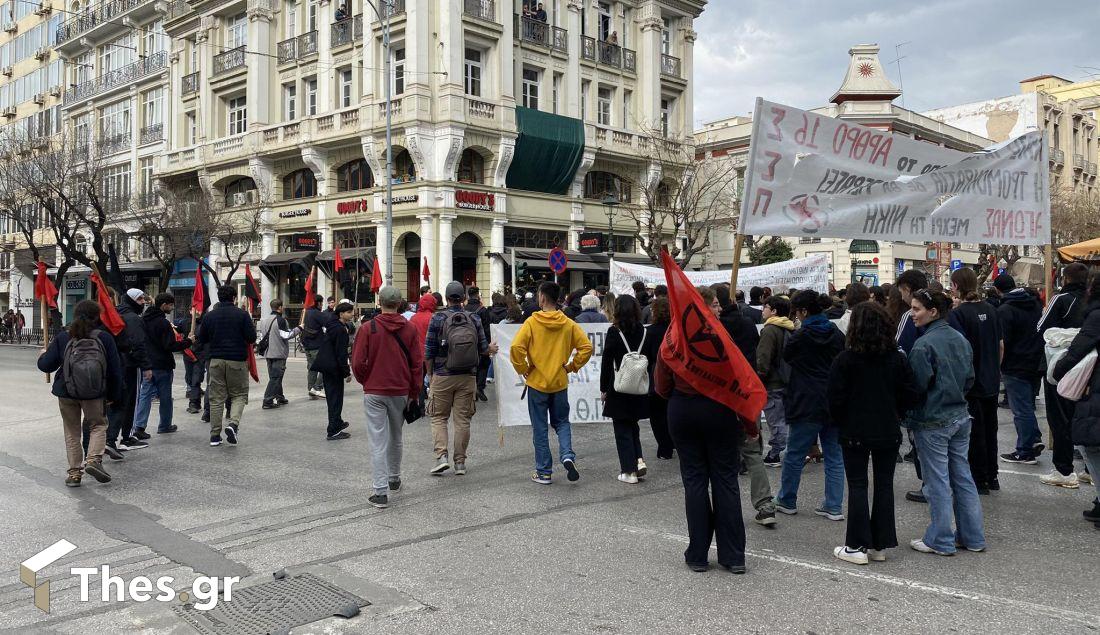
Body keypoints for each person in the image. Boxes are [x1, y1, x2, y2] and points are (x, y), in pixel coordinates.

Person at [654, 286, 747, 574]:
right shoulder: (724, 339)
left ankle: (697, 554)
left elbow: (661, 385)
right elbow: (740, 378)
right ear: (704, 307)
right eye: (716, 305)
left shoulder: (674, 338)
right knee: (725, 481)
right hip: (718, 412)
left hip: (683, 411)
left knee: (694, 481)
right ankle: (732, 556)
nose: (721, 309)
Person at [828, 303, 921, 564]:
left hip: (854, 429)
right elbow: (911, 394)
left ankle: (856, 544)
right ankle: (879, 544)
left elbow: (834, 398)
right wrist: (896, 412)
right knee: (883, 484)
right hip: (887, 428)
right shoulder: (897, 358)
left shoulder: (845, 360)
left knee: (858, 484)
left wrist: (841, 419)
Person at [906, 289, 985, 555]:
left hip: (933, 419)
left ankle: (940, 538)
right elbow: (970, 378)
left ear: (933, 312)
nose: (912, 314)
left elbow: (916, 386)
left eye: (916, 309)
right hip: (960, 415)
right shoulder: (960, 339)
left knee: (937, 481)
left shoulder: (923, 345)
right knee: (962, 477)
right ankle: (972, 537)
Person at [510, 281, 593, 484]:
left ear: (542, 298)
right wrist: (571, 367)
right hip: (559, 382)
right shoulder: (568, 324)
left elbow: (516, 348)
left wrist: (525, 369)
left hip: (537, 383)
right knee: (562, 422)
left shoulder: (532, 322)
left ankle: (544, 471)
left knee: (540, 428)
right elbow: (587, 348)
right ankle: (567, 455)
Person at [775, 290, 846, 521]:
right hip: (833, 399)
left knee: (795, 453)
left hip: (806, 399)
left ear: (804, 311)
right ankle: (833, 505)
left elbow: (788, 356)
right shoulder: (835, 333)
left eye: (797, 312)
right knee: (834, 455)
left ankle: (787, 499)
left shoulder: (801, 335)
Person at [351, 287, 424, 509]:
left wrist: (367, 381)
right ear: (400, 303)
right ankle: (394, 477)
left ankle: (380, 491)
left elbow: (356, 363)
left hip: (374, 390)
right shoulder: (410, 329)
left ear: (379, 302)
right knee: (396, 435)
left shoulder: (368, 328)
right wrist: (414, 391)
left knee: (377, 440)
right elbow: (417, 364)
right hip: (400, 389)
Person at [37, 300, 123, 486]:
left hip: (66, 391)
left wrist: (43, 354)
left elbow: (45, 365)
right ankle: (93, 460)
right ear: (97, 316)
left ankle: (75, 474)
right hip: (94, 393)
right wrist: (113, 395)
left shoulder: (63, 337)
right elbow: (116, 370)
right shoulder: (105, 337)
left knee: (72, 431)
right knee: (98, 425)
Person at [714, 285, 774, 525]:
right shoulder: (749, 322)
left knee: (724, 454)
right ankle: (765, 504)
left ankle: (726, 509)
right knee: (752, 451)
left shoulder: (714, 328)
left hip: (723, 395)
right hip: (747, 391)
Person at [425, 281, 491, 476]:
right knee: (463, 420)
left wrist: (430, 374)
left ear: (446, 298)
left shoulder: (437, 318)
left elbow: (428, 351)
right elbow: (483, 348)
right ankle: (460, 463)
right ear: (464, 298)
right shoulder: (474, 318)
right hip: (467, 376)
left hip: (443, 374)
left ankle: (442, 456)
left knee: (438, 417)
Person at [1051, 273, 1100, 529]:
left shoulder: (1096, 315)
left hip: (1096, 389)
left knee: (1091, 446)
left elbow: (1078, 348)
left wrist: (1057, 371)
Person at [948, 268, 1002, 494]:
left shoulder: (957, 315)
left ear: (957, 287)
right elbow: (1000, 345)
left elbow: (959, 351)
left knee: (974, 433)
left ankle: (979, 479)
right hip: (991, 378)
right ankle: (992, 475)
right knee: (991, 430)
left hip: (972, 381)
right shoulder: (991, 309)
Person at [1038, 262, 1089, 488]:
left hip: (1061, 364)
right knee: (1086, 416)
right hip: (1089, 365)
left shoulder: (1061, 299)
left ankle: (1064, 470)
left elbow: (1041, 327)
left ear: (1065, 279)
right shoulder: (1092, 301)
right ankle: (1090, 468)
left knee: (1060, 418)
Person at [995, 274, 1046, 464]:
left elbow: (1003, 341)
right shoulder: (1034, 304)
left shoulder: (1005, 309)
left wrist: (998, 364)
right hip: (1035, 361)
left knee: (1021, 408)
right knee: (1027, 405)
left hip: (1015, 364)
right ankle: (1033, 439)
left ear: (998, 290)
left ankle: (1025, 450)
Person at [198, 286, 257, 447]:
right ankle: (233, 424)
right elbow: (251, 337)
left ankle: (215, 436)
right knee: (239, 395)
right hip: (236, 360)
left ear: (218, 297)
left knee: (216, 399)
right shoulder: (242, 315)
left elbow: (202, 338)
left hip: (215, 360)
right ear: (234, 298)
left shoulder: (209, 316)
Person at [601, 295, 650, 484]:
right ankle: (638, 461)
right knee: (633, 425)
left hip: (619, 385)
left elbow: (607, 362)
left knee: (621, 428)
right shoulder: (643, 331)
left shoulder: (614, 332)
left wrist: (604, 387)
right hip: (638, 386)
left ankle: (628, 471)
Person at [133, 293, 192, 438]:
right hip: (162, 365)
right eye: (171, 305)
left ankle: (139, 426)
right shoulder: (163, 323)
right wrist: (188, 342)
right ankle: (165, 425)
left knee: (145, 396)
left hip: (147, 364)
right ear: (164, 305)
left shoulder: (142, 321)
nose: (172, 308)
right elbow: (169, 345)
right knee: (165, 397)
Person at [105, 289, 149, 458]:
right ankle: (126, 437)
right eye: (140, 299)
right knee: (130, 401)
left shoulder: (114, 314)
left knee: (116, 401)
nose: (143, 302)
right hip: (130, 365)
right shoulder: (133, 319)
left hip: (115, 365)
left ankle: (109, 438)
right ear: (131, 300)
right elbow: (139, 344)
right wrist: (146, 366)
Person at [757, 295, 794, 467]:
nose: (763, 309)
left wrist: (760, 376)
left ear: (774, 311)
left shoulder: (770, 330)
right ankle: (787, 449)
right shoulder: (791, 327)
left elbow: (763, 357)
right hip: (788, 379)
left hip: (773, 381)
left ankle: (777, 452)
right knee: (785, 417)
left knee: (775, 418)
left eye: (765, 306)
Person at [642, 297, 673, 459]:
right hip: (675, 373)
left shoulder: (650, 331)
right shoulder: (675, 329)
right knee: (671, 410)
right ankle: (673, 441)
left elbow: (645, 355)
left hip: (656, 374)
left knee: (657, 414)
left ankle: (664, 446)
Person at [259, 299, 299, 409]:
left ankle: (280, 397)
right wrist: (298, 329)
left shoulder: (264, 320)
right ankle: (267, 401)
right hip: (278, 353)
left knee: (275, 377)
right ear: (280, 307)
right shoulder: (281, 320)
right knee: (276, 378)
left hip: (268, 353)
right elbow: (286, 335)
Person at [465, 286, 492, 402]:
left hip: (466, 342)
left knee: (471, 365)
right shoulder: (482, 310)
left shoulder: (464, 309)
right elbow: (486, 329)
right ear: (477, 295)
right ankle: (479, 387)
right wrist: (487, 344)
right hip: (480, 342)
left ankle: (471, 389)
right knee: (484, 364)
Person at [301, 293, 327, 399]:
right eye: (321, 303)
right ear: (319, 303)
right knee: (324, 367)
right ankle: (316, 388)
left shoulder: (305, 312)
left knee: (311, 368)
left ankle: (311, 389)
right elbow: (328, 323)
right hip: (316, 345)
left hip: (307, 345)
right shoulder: (317, 313)